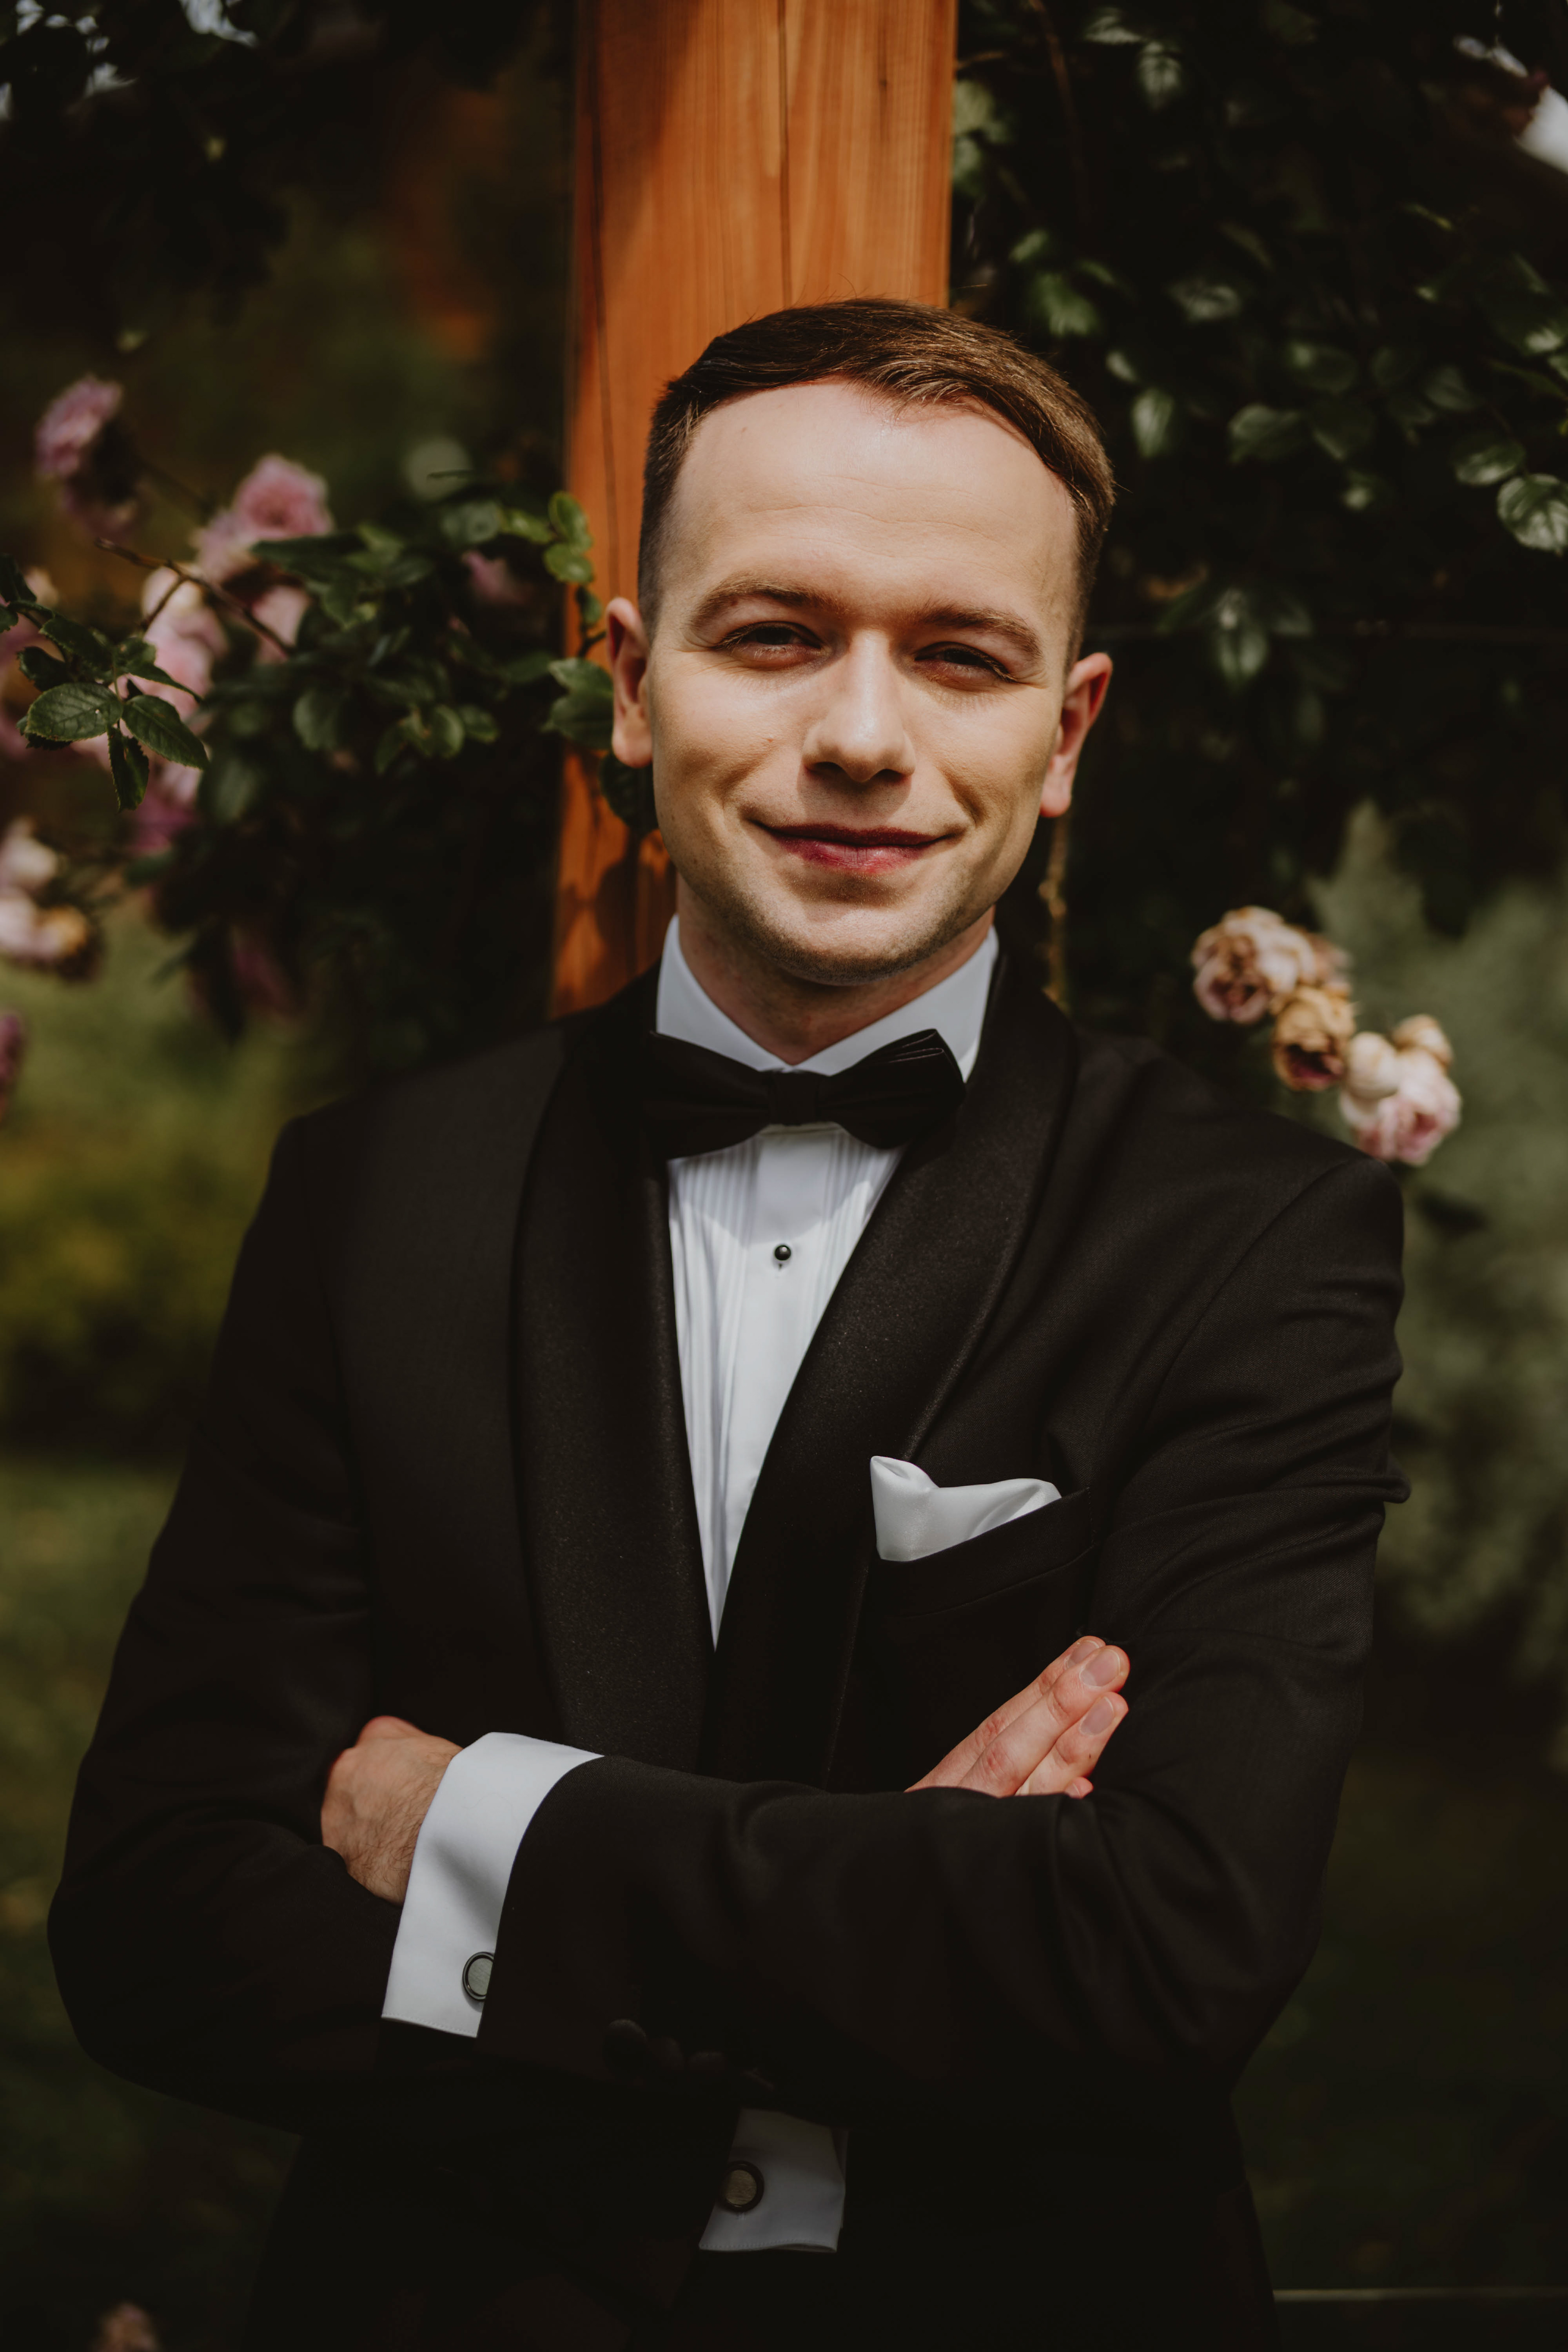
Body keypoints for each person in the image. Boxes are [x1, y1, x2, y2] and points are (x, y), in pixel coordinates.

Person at [51, 299, 1405, 2352]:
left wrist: (480, 1831)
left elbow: (1155, 1959)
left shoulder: (1258, 1239)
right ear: (631, 681)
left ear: (1067, 734)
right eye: (775, 633)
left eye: (960, 655)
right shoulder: (373, 1197)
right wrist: (894, 1927)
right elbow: (162, 1922)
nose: (863, 731)